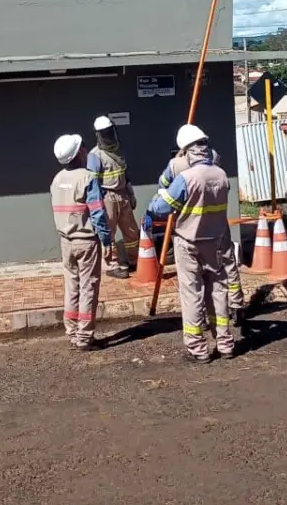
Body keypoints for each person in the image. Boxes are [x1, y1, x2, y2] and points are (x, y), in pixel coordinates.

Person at [145, 126, 235, 364]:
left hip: (188, 242)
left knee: (192, 293)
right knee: (218, 290)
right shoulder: (221, 175)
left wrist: (151, 207)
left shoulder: (187, 178)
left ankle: (198, 348)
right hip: (215, 241)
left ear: (187, 151)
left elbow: (162, 206)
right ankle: (225, 342)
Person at [158, 125, 245, 324]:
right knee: (227, 266)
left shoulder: (175, 165)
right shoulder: (214, 157)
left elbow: (163, 184)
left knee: (194, 280)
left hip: (190, 228)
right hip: (218, 226)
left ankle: (203, 319)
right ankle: (236, 305)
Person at [50, 133, 112, 351]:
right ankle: (84, 337)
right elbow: (97, 213)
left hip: (66, 241)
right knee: (88, 287)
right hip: (86, 242)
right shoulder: (87, 178)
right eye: (83, 147)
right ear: (79, 153)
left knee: (72, 287)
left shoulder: (57, 180)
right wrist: (107, 241)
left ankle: (72, 332)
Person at [87, 115, 139, 280]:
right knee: (108, 233)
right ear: (98, 135)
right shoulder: (95, 155)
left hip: (122, 193)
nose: (108, 135)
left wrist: (130, 194)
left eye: (110, 131)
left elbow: (125, 173)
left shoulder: (118, 149)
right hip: (107, 196)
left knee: (131, 231)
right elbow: (93, 181)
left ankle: (134, 259)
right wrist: (97, 204)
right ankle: (111, 264)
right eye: (105, 133)